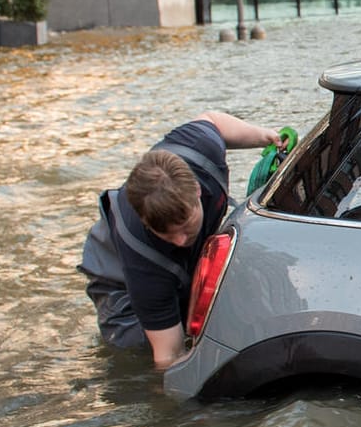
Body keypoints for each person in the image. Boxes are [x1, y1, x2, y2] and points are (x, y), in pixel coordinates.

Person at [80, 112, 279, 369]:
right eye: (167, 233)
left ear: (196, 191)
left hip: (164, 260)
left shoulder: (198, 146)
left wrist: (264, 136)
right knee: (135, 355)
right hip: (119, 280)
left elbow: (213, 121)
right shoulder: (144, 264)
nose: (180, 240)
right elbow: (168, 356)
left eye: (185, 226)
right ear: (145, 221)